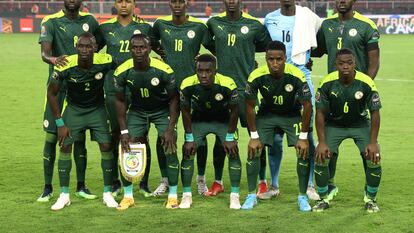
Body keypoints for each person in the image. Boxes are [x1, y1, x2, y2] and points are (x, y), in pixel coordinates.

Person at [312, 0, 380, 201]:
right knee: (327, 150)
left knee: (368, 152)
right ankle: (329, 186)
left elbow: (374, 64)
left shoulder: (366, 26)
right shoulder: (327, 25)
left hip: (357, 96)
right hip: (331, 96)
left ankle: (370, 194)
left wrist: (359, 92)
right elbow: (316, 50)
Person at [206, 0, 272, 197]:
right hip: (222, 91)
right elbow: (210, 44)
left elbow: (266, 46)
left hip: (246, 91)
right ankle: (218, 181)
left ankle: (262, 181)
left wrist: (247, 57)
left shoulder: (254, 25)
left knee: (256, 136)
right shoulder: (213, 23)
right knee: (221, 139)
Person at [97, 0, 161, 198]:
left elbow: (160, 50)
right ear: (115, 4)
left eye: (128, 1)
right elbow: (92, 53)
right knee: (117, 135)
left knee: (141, 137)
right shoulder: (105, 28)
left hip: (139, 88)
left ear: (134, 4)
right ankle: (117, 181)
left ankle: (143, 182)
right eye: (119, 1)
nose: (123, 5)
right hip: (113, 88)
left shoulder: (143, 27)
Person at [47, 33, 118, 211]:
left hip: (97, 110)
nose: (84, 50)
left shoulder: (105, 60)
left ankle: (107, 193)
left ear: (95, 47)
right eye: (81, 46)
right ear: (76, 47)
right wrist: (60, 123)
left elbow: (123, 68)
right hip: (74, 110)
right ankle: (64, 195)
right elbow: (51, 93)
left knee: (106, 146)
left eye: (88, 46)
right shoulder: (66, 64)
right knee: (64, 146)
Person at [37, 0, 99, 202]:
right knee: (52, 138)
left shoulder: (91, 21)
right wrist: (53, 59)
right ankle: (48, 187)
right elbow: (45, 53)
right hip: (58, 89)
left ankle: (81, 186)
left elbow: (98, 46)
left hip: (80, 90)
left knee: (78, 139)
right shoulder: (51, 21)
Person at [242, 41, 312, 211]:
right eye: (271, 59)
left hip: (291, 114)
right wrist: (253, 136)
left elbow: (308, 106)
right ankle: (252, 195)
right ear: (265, 59)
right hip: (267, 115)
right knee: (254, 149)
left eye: (279, 59)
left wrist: (303, 137)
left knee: (303, 150)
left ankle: (303, 197)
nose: (274, 64)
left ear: (285, 58)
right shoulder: (256, 75)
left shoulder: (296, 75)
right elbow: (249, 106)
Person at [153, 0, 213, 195]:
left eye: (181, 1)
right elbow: (150, 43)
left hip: (192, 90)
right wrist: (160, 54)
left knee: (199, 137)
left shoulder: (198, 27)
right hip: (166, 90)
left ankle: (201, 179)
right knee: (164, 135)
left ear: (187, 3)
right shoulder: (160, 25)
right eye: (174, 1)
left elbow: (215, 49)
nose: (177, 4)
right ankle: (164, 180)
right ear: (169, 4)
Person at [263, 0, 322, 200]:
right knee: (275, 136)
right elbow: (264, 46)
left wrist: (308, 59)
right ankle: (274, 185)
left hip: (301, 75)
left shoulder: (308, 17)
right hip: (276, 81)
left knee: (308, 133)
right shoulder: (270, 19)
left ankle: (310, 185)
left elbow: (319, 43)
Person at [114, 34, 180, 210]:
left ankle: (173, 195)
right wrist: (124, 132)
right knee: (127, 148)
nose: (138, 51)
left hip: (161, 111)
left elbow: (174, 99)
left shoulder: (164, 70)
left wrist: (170, 128)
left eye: (142, 47)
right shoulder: (122, 71)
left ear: (149, 49)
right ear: (129, 49)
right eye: (134, 47)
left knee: (169, 146)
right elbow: (120, 101)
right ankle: (128, 197)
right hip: (137, 111)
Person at [312, 49, 382, 213]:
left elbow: (375, 113)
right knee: (321, 156)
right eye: (341, 63)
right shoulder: (326, 83)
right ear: (335, 64)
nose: (345, 66)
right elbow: (320, 113)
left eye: (349, 63)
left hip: (360, 124)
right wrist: (322, 142)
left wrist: (373, 142)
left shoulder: (366, 82)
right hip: (334, 125)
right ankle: (325, 197)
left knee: (374, 157)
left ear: (354, 63)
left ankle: (370, 199)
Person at [179, 54, 242, 209]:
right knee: (188, 150)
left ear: (216, 70)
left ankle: (235, 196)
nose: (204, 75)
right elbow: (185, 111)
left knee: (233, 150)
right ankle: (186, 196)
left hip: (223, 120)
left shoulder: (228, 84)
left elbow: (234, 111)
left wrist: (229, 136)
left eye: (208, 71)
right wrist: (188, 137)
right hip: (199, 120)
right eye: (200, 71)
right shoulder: (187, 84)